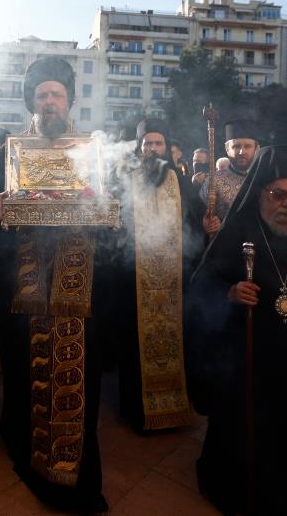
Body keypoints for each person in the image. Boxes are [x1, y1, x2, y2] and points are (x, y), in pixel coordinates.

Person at [0, 57, 108, 511]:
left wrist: (108, 209)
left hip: (80, 283)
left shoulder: (92, 152)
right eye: (41, 96)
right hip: (27, 286)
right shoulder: (12, 153)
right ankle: (25, 446)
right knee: (24, 370)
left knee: (79, 373)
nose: (49, 103)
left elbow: (113, 215)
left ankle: (76, 465)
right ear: (31, 104)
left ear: (69, 100)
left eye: (56, 95)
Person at [188, 146, 287, 515]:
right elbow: (201, 287)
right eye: (278, 194)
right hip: (244, 360)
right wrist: (230, 293)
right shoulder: (238, 234)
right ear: (260, 194)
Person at [99, 118, 202, 434]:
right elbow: (111, 225)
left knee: (175, 343)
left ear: (167, 148)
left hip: (174, 280)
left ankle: (173, 408)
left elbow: (195, 226)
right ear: (139, 147)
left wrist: (205, 228)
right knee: (134, 346)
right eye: (147, 144)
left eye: (158, 143)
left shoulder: (181, 182)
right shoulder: (123, 180)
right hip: (134, 280)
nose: (153, 149)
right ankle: (137, 412)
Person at [199, 119, 262, 223]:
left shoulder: (265, 179)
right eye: (236, 146)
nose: (242, 152)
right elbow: (199, 216)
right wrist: (206, 224)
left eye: (248, 146)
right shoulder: (214, 180)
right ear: (227, 148)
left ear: (257, 149)